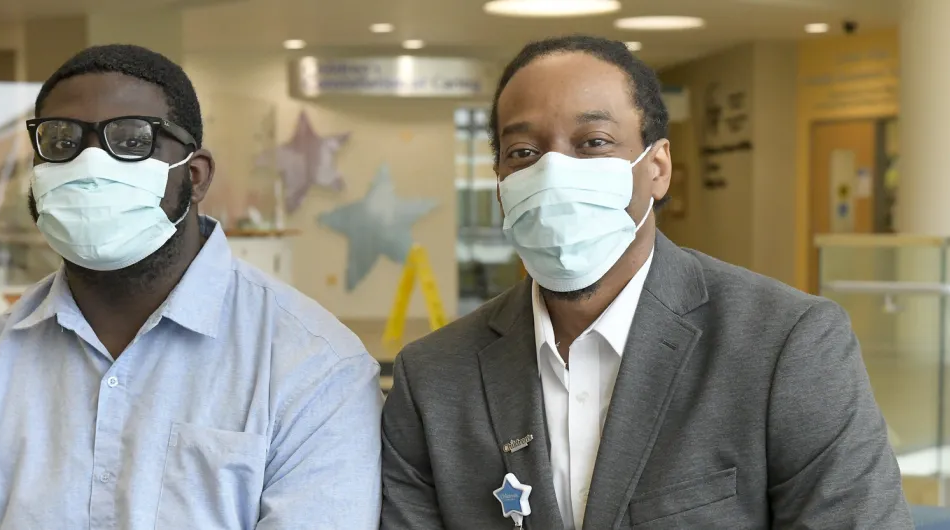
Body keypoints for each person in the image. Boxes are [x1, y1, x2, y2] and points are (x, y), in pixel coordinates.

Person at [380, 35, 912, 530]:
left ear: (657, 167)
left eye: (593, 142)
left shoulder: (785, 346)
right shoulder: (433, 379)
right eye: (523, 153)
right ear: (500, 184)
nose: (554, 174)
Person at [0, 44, 382, 529]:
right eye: (61, 141)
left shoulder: (313, 368)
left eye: (132, 140)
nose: (90, 165)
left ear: (195, 176)